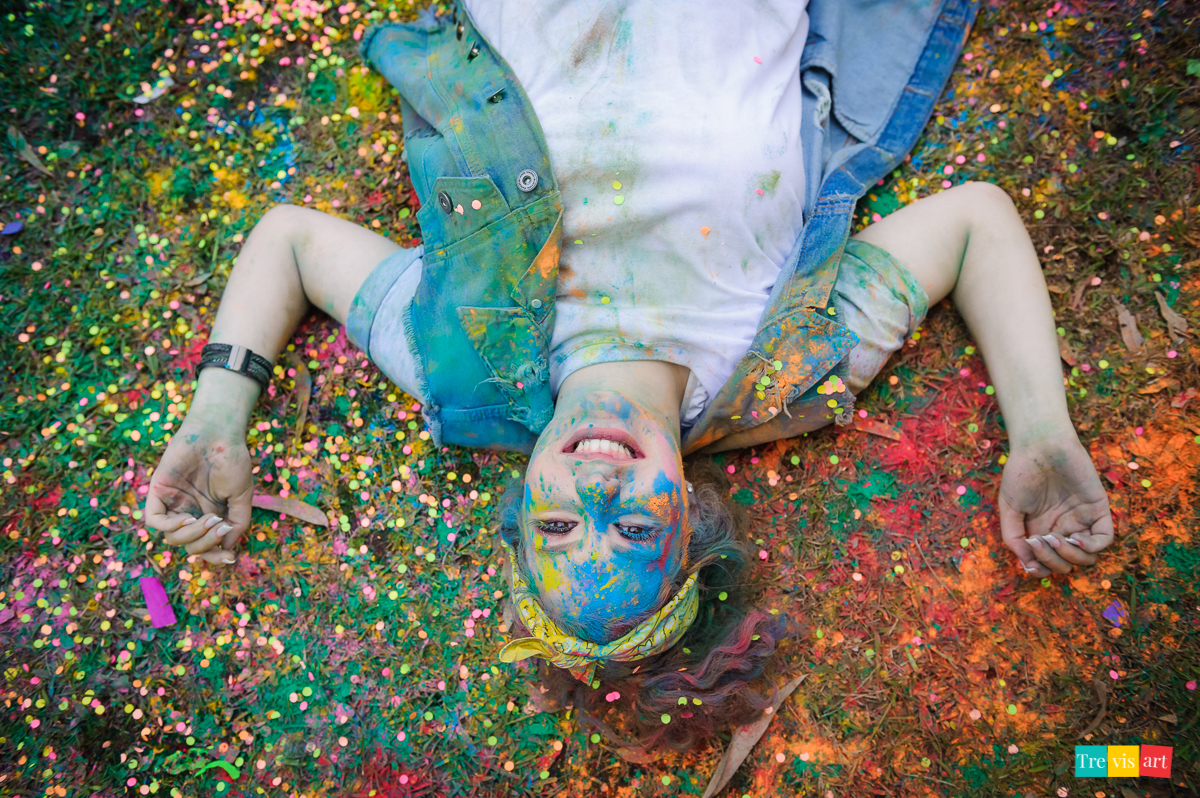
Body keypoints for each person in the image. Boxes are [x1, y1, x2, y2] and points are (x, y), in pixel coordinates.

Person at [145, 0, 1113, 751]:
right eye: (637, 526)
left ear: (522, 503)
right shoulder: (790, 370)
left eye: (559, 524)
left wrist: (217, 421)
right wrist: (1041, 435)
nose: (597, 488)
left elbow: (294, 241)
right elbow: (977, 220)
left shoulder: (458, 372)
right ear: (692, 515)